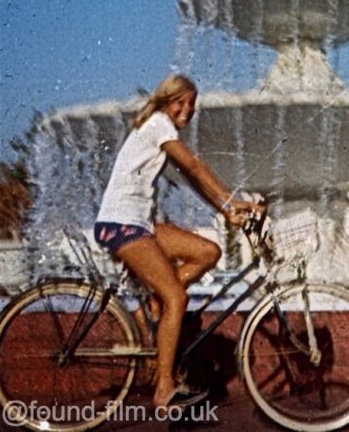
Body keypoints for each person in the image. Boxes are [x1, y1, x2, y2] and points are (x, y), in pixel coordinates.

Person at [94, 74, 264, 409]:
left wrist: (226, 209)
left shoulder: (160, 129)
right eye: (180, 102)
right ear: (164, 101)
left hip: (138, 224)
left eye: (191, 105)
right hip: (120, 224)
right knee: (176, 297)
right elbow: (193, 165)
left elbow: (192, 177)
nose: (187, 110)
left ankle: (156, 307)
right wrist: (231, 202)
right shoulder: (158, 124)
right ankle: (164, 388)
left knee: (207, 251)